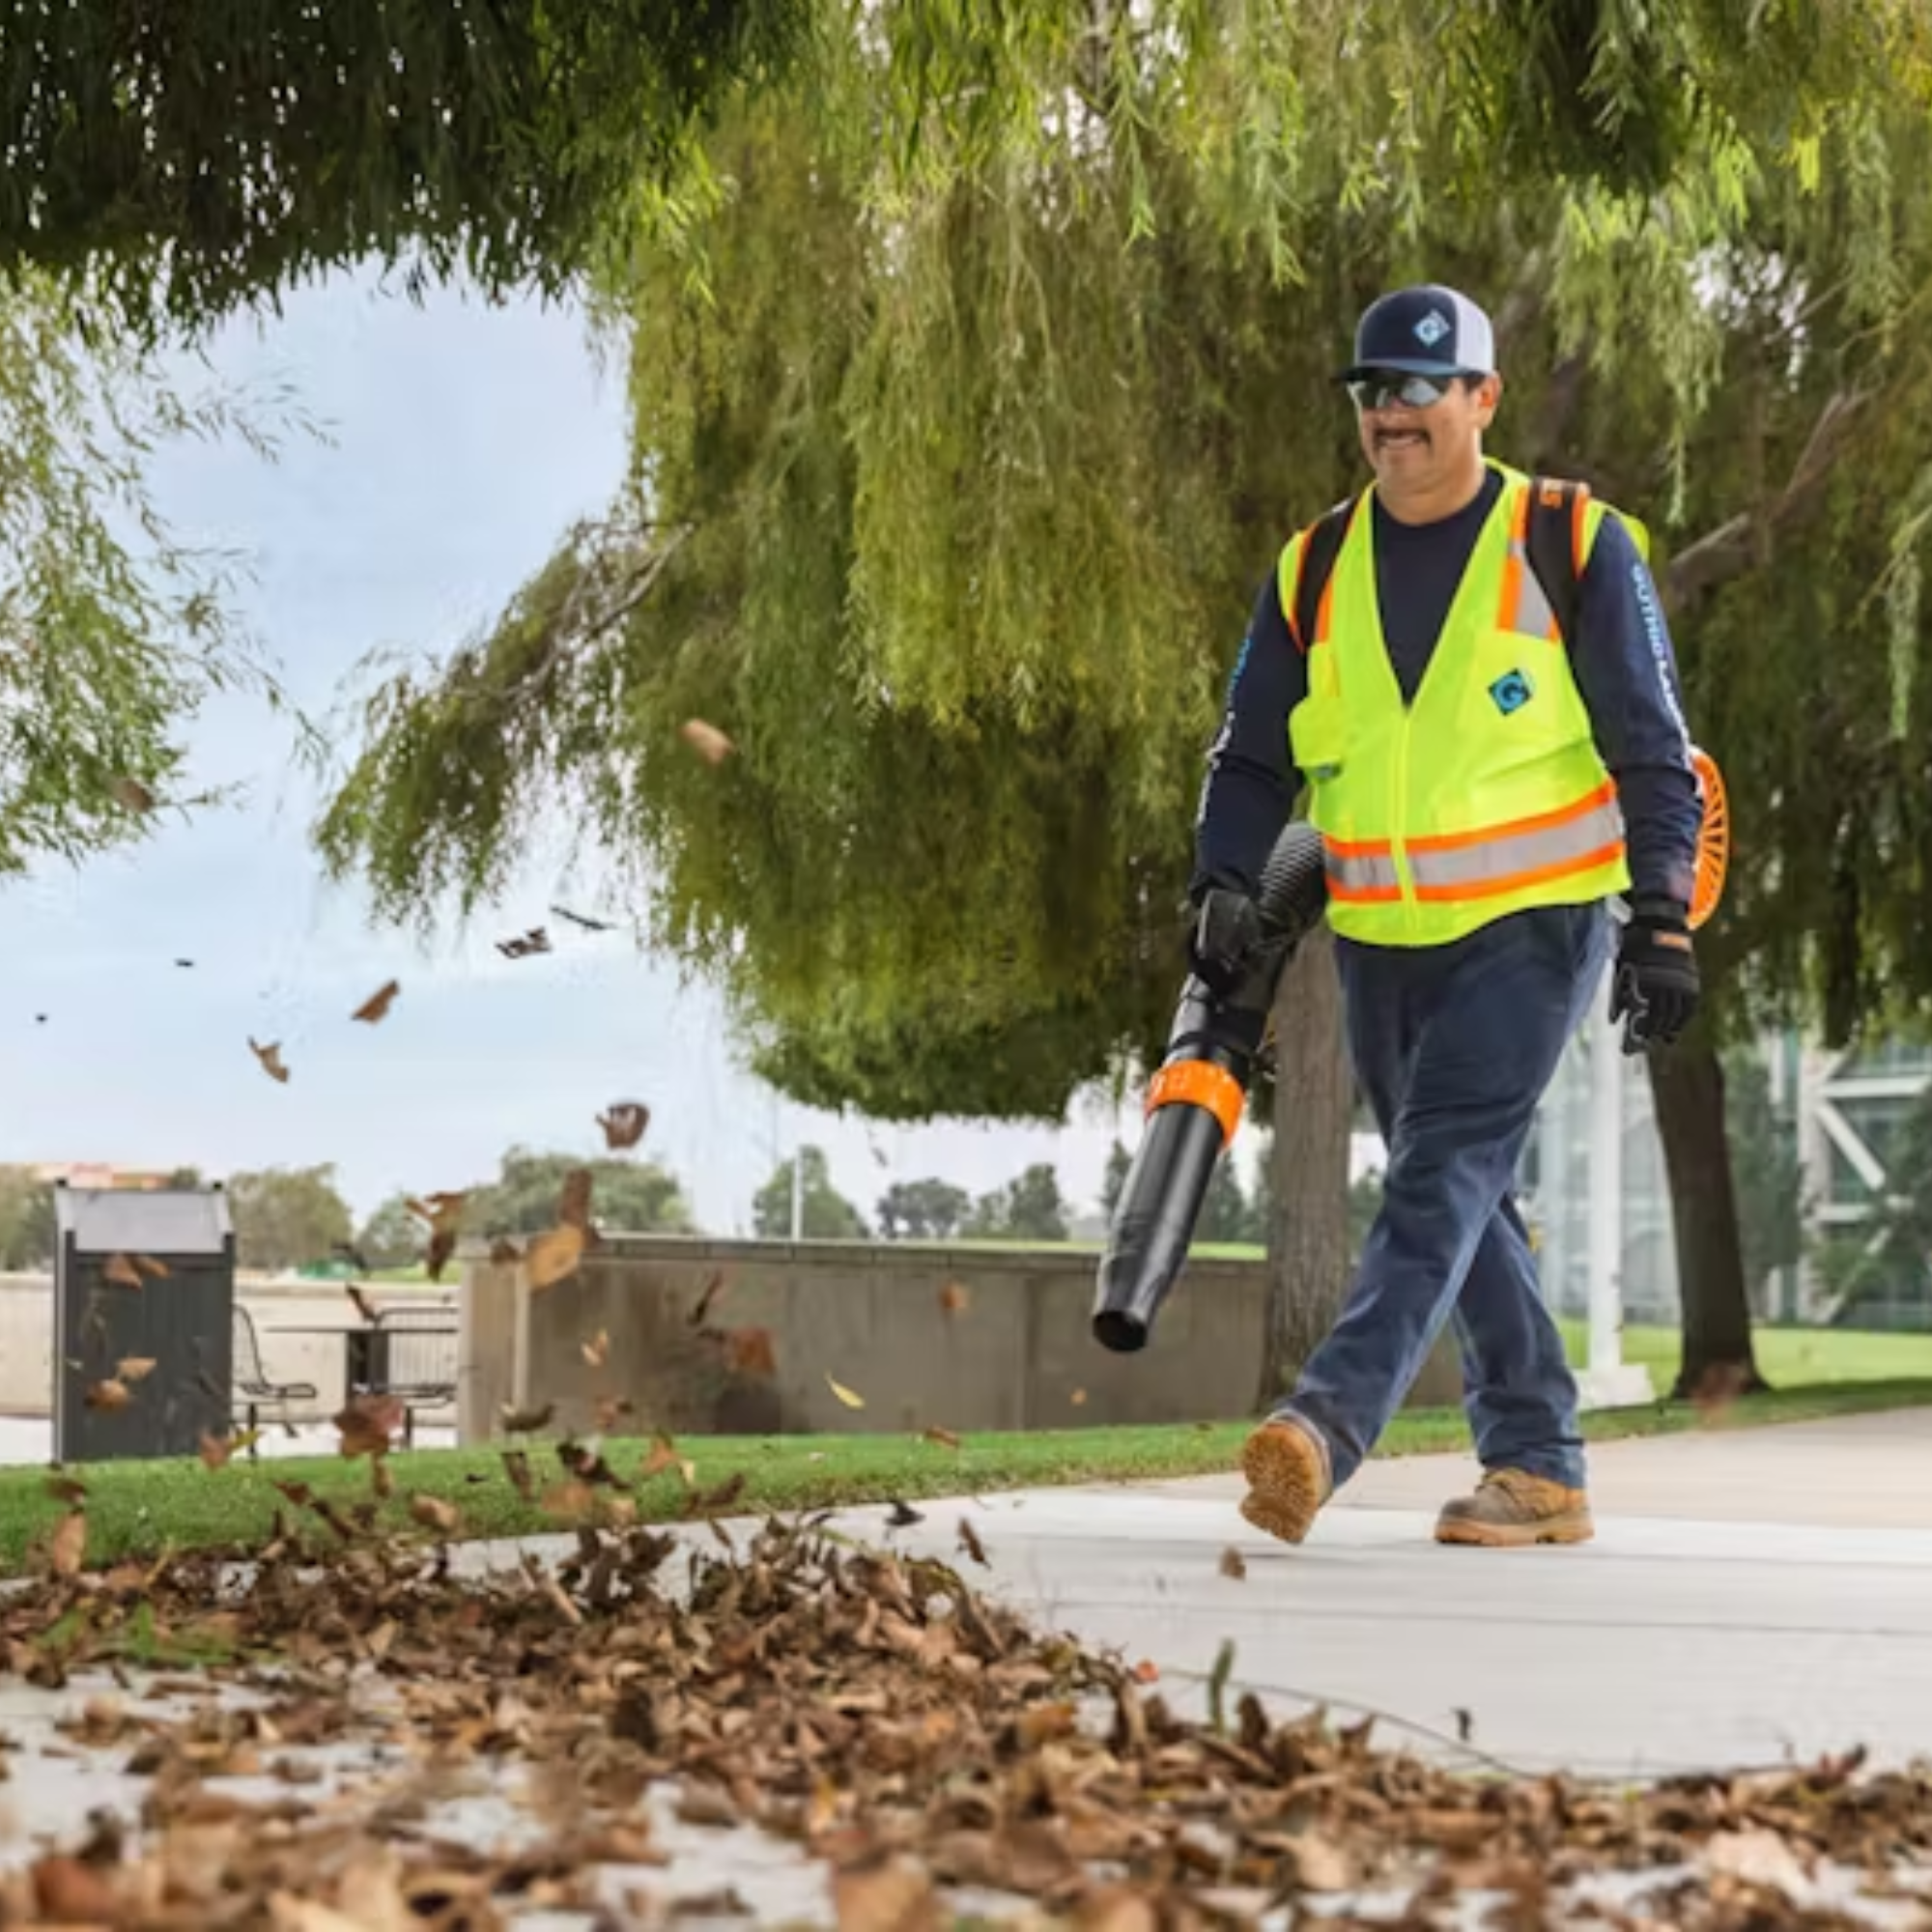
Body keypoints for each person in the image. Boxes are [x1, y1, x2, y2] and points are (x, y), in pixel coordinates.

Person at [1188, 283, 1703, 1549]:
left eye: (1423, 388)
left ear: (1484, 397)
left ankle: (1320, 1428)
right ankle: (1540, 1466)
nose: (1394, 413)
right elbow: (1253, 755)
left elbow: (1654, 748)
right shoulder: (1313, 568)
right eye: (1374, 390)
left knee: (1439, 1172)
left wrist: (1663, 918)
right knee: (1466, 1201)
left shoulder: (1573, 541)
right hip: (1378, 937)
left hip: (1535, 926)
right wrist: (1222, 878)